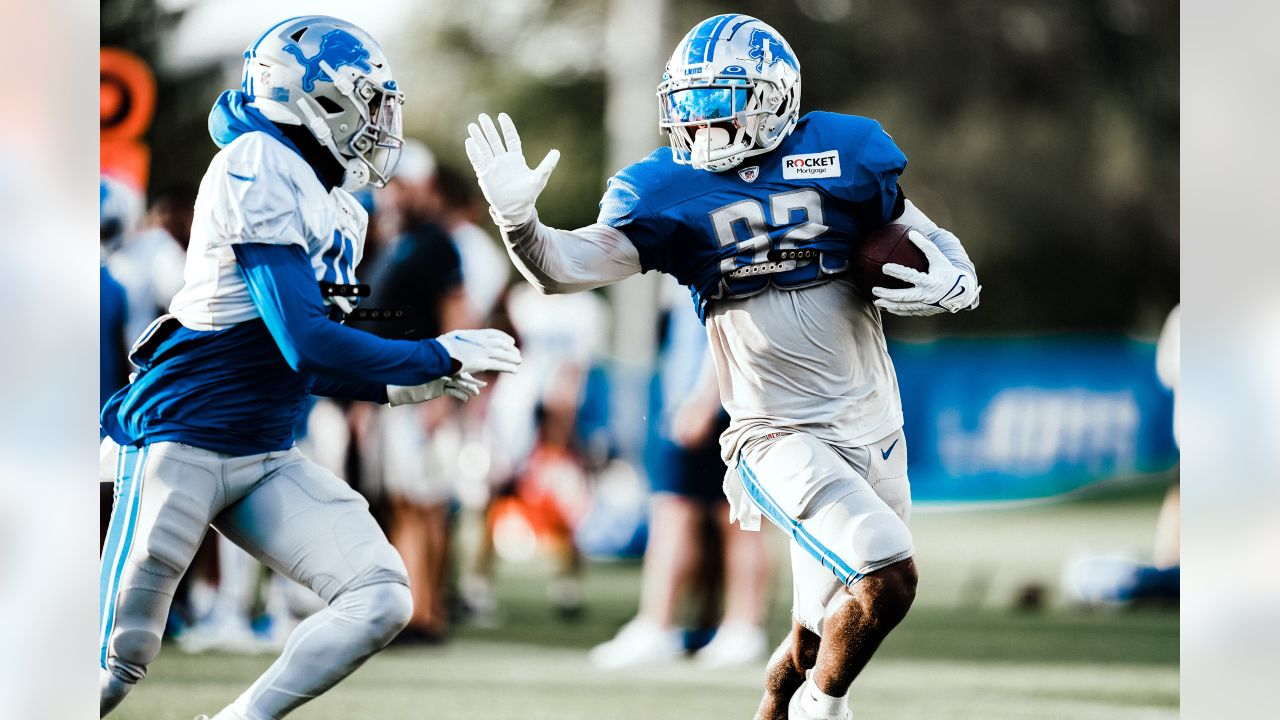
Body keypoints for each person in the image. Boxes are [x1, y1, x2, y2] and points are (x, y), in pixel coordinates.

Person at [464, 14, 980, 720]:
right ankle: (823, 710)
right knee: (888, 574)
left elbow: (927, 236)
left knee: (817, 622)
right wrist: (519, 221)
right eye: (689, 103)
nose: (698, 124)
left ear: (774, 97)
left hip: (873, 423)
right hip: (775, 432)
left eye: (717, 101)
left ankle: (780, 702)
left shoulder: (846, 152)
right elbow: (560, 269)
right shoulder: (668, 189)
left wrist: (957, 280)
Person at [98, 16, 521, 719]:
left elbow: (322, 362)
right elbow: (303, 340)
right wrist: (432, 354)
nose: (381, 121)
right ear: (315, 99)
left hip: (265, 451)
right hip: (182, 440)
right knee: (112, 665)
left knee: (380, 596)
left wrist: (417, 378)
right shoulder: (255, 161)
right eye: (368, 101)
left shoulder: (342, 204)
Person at [590, 279, 771, 670]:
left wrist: (705, 398)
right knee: (710, 516)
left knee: (724, 517)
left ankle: (681, 624)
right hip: (712, 399)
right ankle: (710, 625)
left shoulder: (716, 241)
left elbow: (731, 322)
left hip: (721, 402)